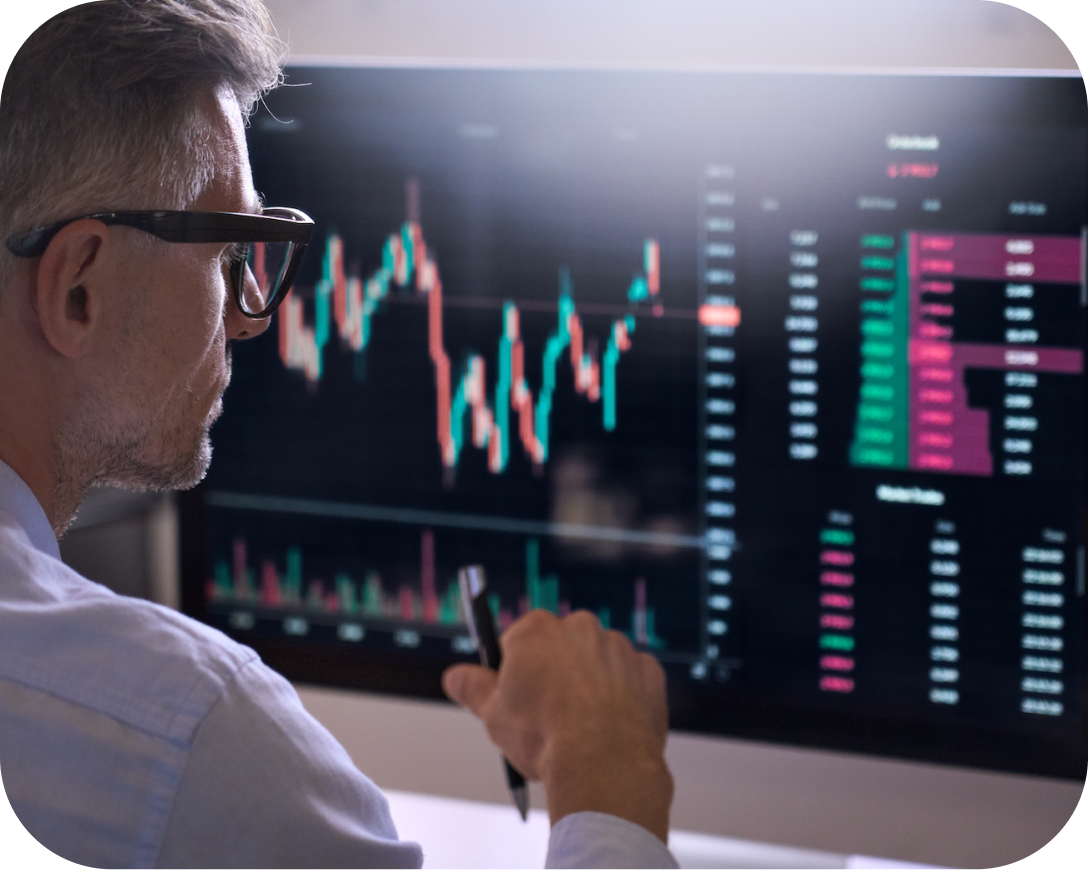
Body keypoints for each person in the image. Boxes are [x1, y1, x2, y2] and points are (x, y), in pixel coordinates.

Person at [0, 2, 676, 868]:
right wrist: (608, 780)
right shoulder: (184, 734)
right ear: (78, 290)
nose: (248, 321)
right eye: (227, 250)